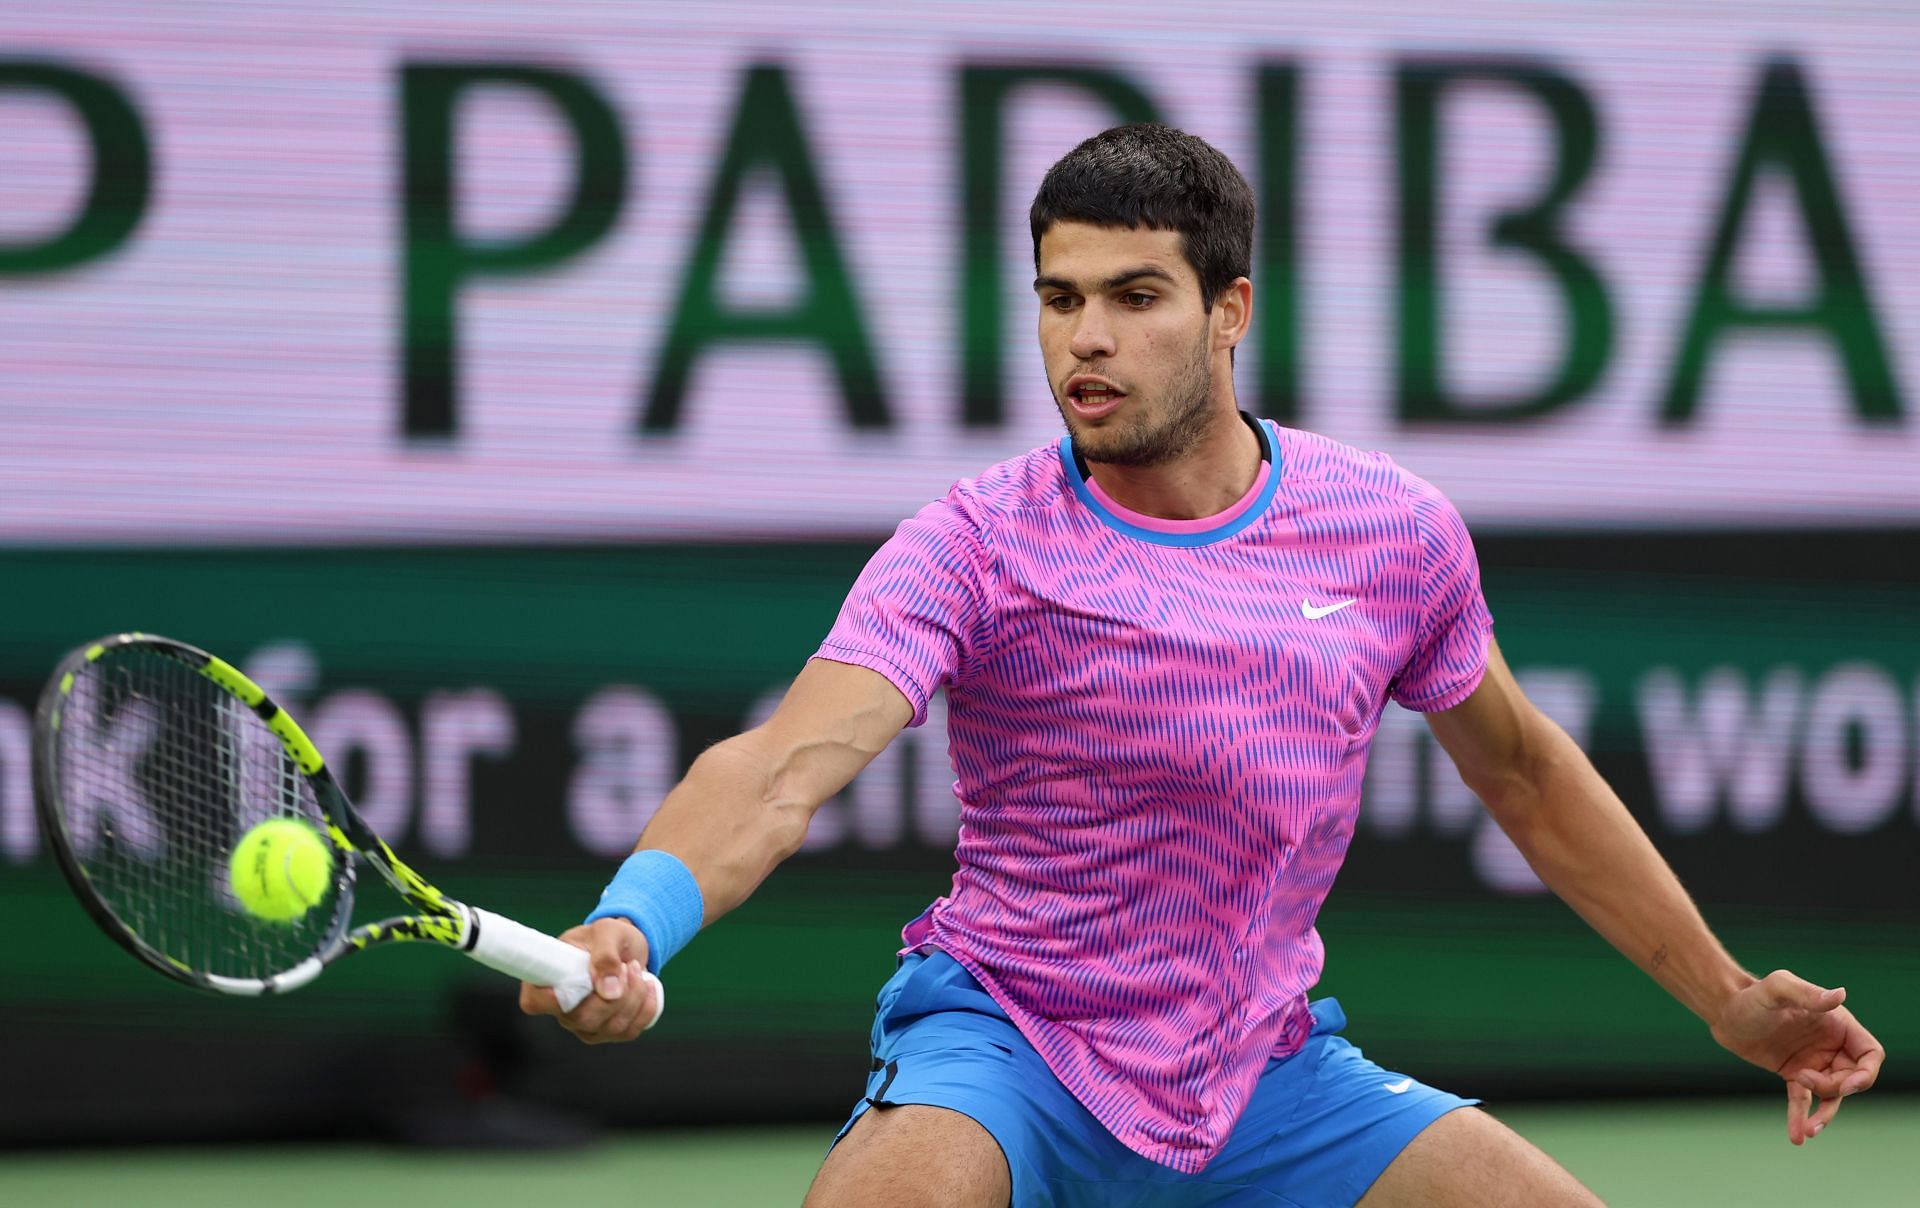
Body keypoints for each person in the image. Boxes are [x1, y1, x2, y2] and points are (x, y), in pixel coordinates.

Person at [519, 124, 1884, 1206]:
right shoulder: (976, 542)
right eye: (1058, 298)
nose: (1086, 339)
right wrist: (639, 920)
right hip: (1008, 1053)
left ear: (1231, 309)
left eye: (1134, 297)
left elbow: (1525, 775)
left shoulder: (1388, 530)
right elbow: (781, 767)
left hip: (1263, 1076)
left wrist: (1725, 999)